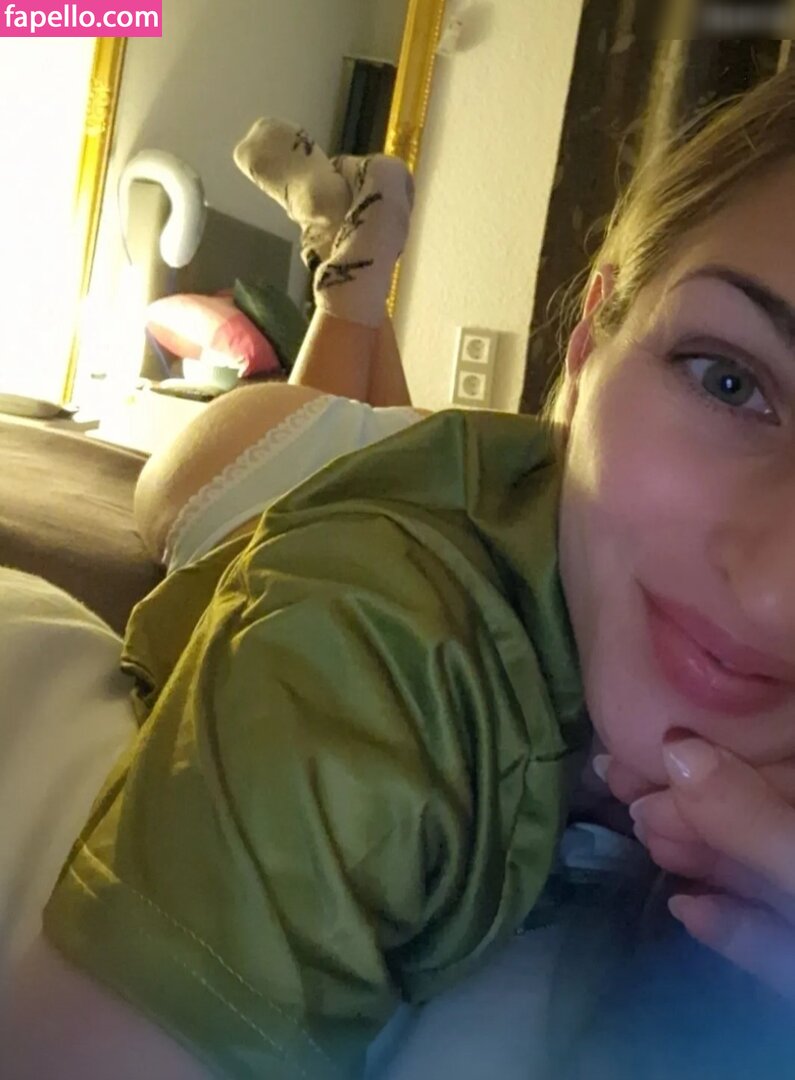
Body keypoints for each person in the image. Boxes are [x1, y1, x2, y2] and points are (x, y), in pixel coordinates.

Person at [6, 66, 795, 1078]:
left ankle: (353, 260)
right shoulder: (375, 636)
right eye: (727, 381)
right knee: (238, 460)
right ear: (586, 340)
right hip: (273, 463)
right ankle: (352, 275)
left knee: (405, 434)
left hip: (517, 477)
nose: (773, 592)